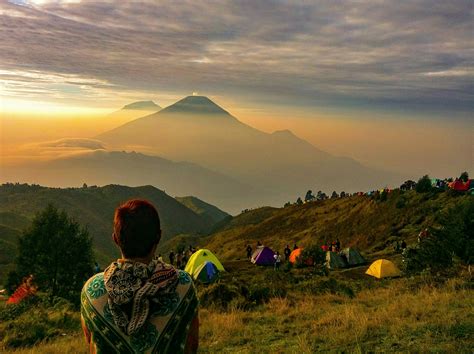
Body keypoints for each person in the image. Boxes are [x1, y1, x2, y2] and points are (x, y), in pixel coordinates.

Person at [81, 199, 199, 353]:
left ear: (115, 239)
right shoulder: (183, 285)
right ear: (159, 236)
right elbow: (191, 346)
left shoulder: (90, 292)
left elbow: (91, 345)